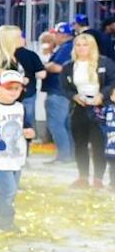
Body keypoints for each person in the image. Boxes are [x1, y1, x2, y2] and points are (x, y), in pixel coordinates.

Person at [0, 71, 35, 231]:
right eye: (8, 88)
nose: (13, 92)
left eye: (17, 89)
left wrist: (29, 132)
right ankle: (6, 222)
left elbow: (27, 125)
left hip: (16, 156)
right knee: (9, 191)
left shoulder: (20, 107)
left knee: (8, 191)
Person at [65, 31, 113, 186]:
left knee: (99, 144)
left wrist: (103, 95)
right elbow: (65, 87)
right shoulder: (69, 66)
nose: (81, 48)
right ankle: (83, 176)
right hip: (79, 108)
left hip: (100, 108)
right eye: (78, 45)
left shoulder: (105, 63)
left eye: (85, 45)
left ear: (92, 47)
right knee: (80, 143)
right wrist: (74, 96)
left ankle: (98, 178)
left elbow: (112, 82)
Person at [42, 27, 77, 164]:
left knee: (56, 124)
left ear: (62, 35)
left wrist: (47, 65)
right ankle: (70, 156)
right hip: (64, 91)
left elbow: (58, 67)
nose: (54, 37)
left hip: (58, 91)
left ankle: (64, 156)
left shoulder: (66, 47)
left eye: (55, 34)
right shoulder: (67, 47)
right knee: (66, 124)